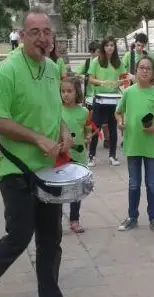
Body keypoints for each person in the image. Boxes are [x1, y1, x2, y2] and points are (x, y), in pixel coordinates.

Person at [0, 9, 87, 297]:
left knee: (50, 241)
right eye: (35, 32)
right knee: (18, 237)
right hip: (15, 169)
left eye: (48, 32)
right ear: (21, 35)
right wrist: (35, 139)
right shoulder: (8, 71)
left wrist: (60, 130)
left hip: (47, 171)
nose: (43, 39)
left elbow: (53, 109)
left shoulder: (50, 69)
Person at [115, 56, 154, 233]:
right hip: (132, 145)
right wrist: (120, 122)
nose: (144, 71)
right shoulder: (128, 92)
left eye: (148, 68)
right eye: (141, 67)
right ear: (136, 70)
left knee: (151, 184)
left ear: (153, 73)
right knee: (134, 184)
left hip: (151, 146)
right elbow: (118, 112)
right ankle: (132, 217)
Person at [61, 77, 95, 233]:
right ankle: (55, 220)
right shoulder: (57, 110)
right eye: (63, 91)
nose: (65, 95)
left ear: (77, 92)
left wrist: (88, 136)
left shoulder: (84, 112)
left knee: (76, 190)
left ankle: (75, 219)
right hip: (61, 156)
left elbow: (88, 127)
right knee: (59, 189)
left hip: (79, 156)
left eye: (69, 91)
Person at [87, 36, 126, 167]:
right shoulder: (96, 61)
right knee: (96, 126)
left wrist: (120, 81)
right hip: (99, 97)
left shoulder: (118, 62)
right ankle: (91, 156)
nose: (110, 47)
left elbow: (124, 77)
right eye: (107, 45)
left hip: (114, 99)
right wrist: (102, 82)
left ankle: (112, 156)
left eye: (112, 45)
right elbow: (91, 79)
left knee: (113, 127)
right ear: (103, 47)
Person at [75, 41, 111, 149]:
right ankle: (88, 139)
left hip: (101, 94)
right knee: (89, 120)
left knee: (105, 121)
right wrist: (86, 78)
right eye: (98, 51)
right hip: (89, 96)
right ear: (91, 52)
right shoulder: (86, 63)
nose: (100, 54)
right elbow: (77, 74)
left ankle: (107, 139)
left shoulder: (103, 62)